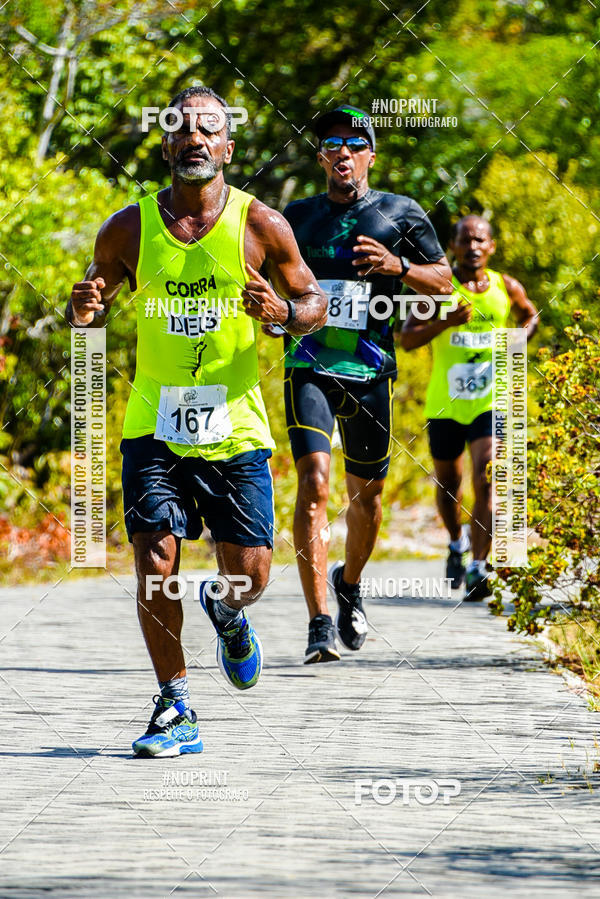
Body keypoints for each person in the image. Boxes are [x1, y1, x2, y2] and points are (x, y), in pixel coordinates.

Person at [66, 86, 326, 757]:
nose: (195, 138)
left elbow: (314, 302)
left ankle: (229, 611)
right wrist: (84, 312)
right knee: (155, 560)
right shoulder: (128, 228)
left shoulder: (262, 224)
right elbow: (93, 309)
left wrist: (283, 315)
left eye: (209, 129)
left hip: (235, 427)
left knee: (253, 574)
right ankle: (175, 703)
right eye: (182, 129)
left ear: (228, 147)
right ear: (166, 144)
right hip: (154, 422)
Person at [276, 105, 452, 662]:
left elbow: (444, 283)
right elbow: (261, 280)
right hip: (308, 366)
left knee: (367, 500)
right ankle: (318, 622)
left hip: (372, 373)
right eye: (332, 144)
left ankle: (348, 581)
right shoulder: (294, 219)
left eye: (355, 144)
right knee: (313, 487)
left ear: (371, 154)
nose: (343, 153)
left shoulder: (401, 214)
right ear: (321, 156)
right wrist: (273, 308)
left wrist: (398, 267)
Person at [400, 215, 537, 600]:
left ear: (491, 246)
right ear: (453, 245)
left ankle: (479, 566)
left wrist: (517, 339)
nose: (473, 246)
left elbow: (530, 314)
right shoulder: (439, 290)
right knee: (449, 487)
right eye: (466, 240)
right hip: (445, 403)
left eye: (480, 240)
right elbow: (407, 338)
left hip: (489, 401)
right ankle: (456, 541)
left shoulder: (504, 286)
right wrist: (446, 322)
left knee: (487, 478)